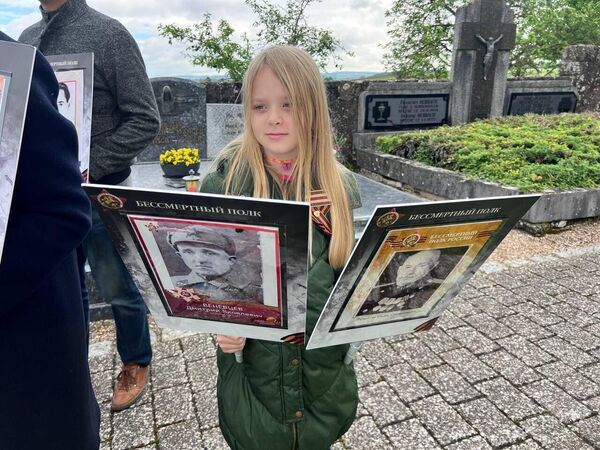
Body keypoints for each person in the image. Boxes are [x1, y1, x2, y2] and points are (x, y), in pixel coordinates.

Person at [200, 46, 361, 450]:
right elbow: (206, 283)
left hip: (323, 376)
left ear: (313, 109)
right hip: (255, 375)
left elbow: (348, 276)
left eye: (288, 104)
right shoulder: (224, 185)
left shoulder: (339, 186)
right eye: (260, 106)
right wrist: (220, 327)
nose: (273, 117)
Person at [20, 0, 160, 412]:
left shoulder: (109, 34)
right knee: (60, 289)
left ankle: (137, 360)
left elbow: (145, 120)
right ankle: (70, 368)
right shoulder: (27, 39)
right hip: (43, 201)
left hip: (99, 196)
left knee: (117, 286)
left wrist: (85, 166)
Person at [0, 32, 99, 449]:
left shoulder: (12, 61)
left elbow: (62, 211)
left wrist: (101, 166)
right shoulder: (29, 36)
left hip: (21, 365)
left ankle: (137, 361)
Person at [167, 225, 262, 302]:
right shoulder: (171, 284)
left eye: (209, 253)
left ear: (231, 260)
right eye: (188, 252)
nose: (200, 260)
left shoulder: (251, 290)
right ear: (180, 255)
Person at [359, 250, 443, 316]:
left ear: (434, 266)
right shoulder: (378, 276)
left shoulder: (429, 287)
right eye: (408, 267)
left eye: (421, 266)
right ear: (400, 268)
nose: (411, 271)